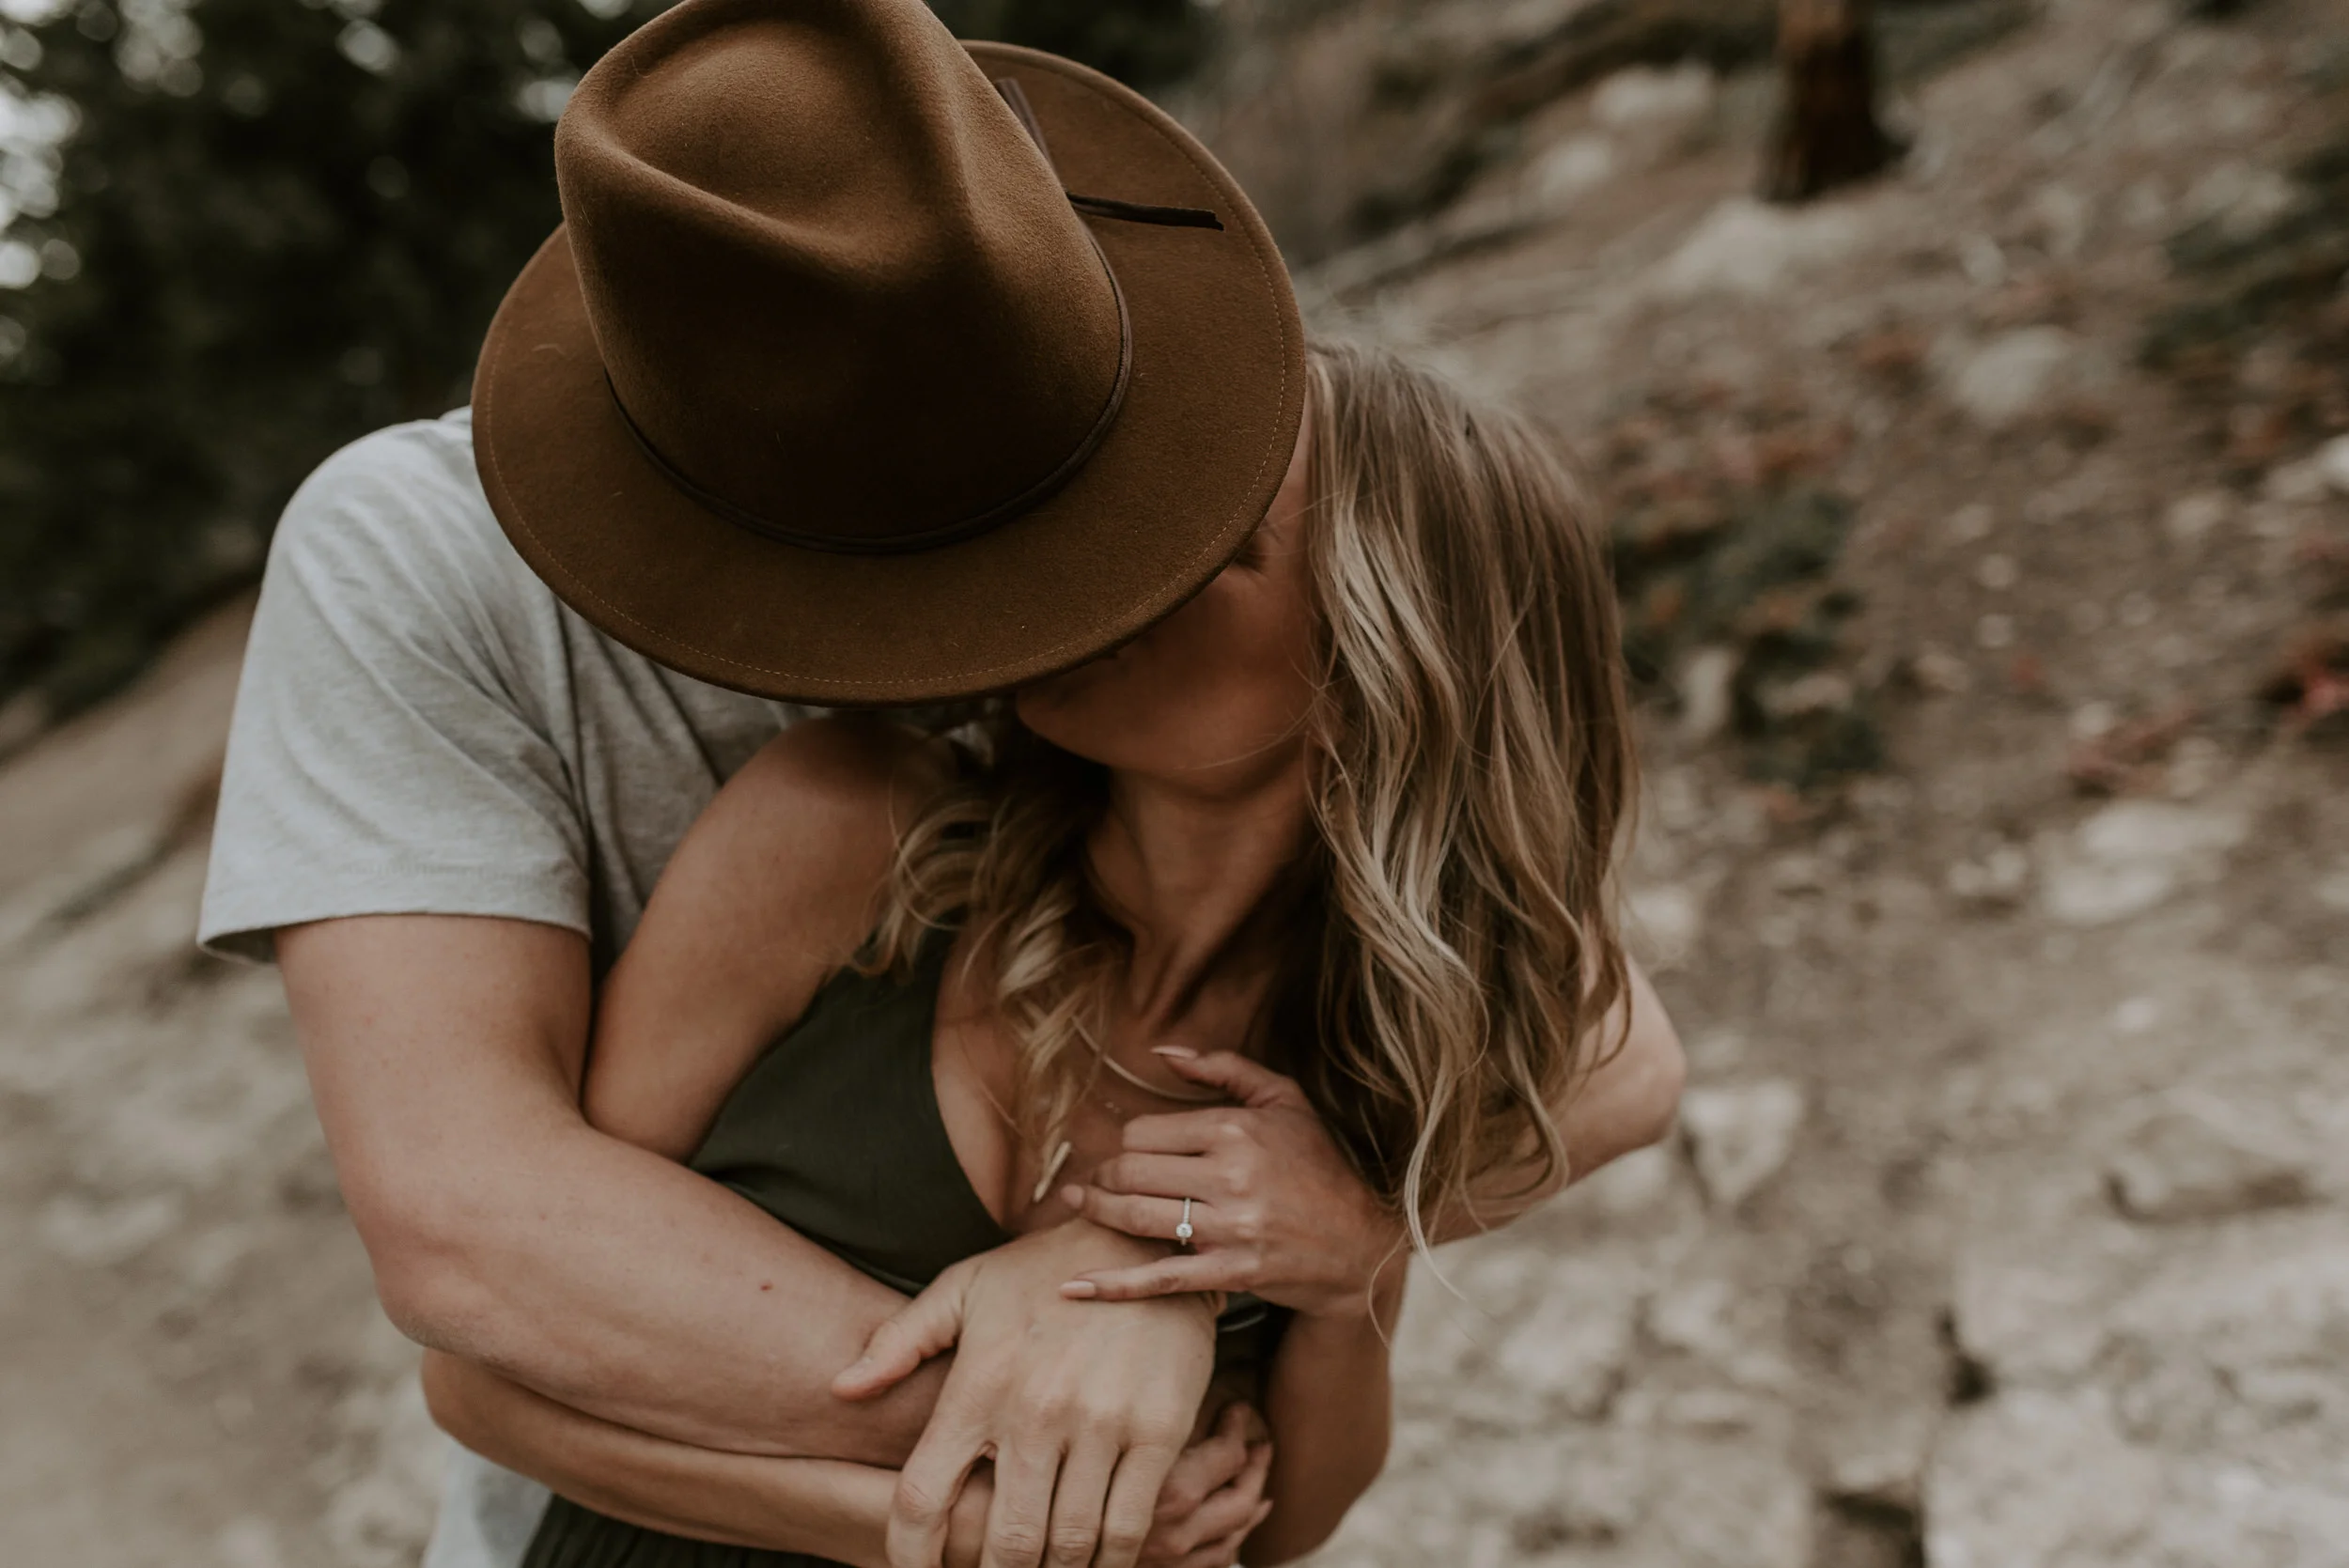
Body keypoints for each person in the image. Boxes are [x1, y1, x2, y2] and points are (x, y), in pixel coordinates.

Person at [196, 4, 1685, 1567]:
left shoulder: (1116, 606)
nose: (1099, 575)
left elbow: (1625, 1059)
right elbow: (471, 1259)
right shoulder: (470, 599)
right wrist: (1057, 1401)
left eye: (1141, 520)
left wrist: (1334, 1234)